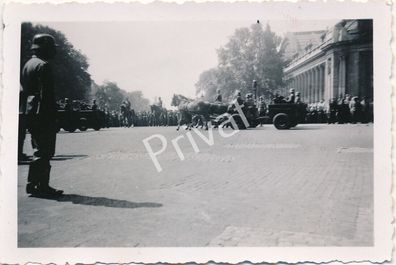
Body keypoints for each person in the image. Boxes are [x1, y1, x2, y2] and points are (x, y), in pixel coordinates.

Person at [20, 33, 63, 196]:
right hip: (43, 113)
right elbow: (47, 96)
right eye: (51, 48)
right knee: (45, 151)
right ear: (44, 48)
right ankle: (41, 187)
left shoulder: (28, 64)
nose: (54, 52)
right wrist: (54, 117)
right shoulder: (43, 66)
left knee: (38, 149)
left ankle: (33, 184)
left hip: (30, 112)